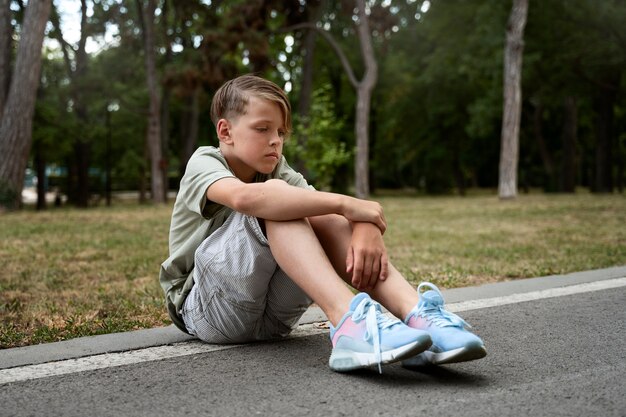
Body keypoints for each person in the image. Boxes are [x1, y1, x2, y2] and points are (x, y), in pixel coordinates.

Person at [160, 74, 486, 373]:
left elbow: (326, 216)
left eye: (281, 132)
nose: (276, 141)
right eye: (263, 129)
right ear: (225, 131)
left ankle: (420, 319)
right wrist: (352, 205)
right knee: (276, 197)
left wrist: (365, 224)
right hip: (208, 311)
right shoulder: (205, 160)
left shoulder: (277, 168)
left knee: (297, 202)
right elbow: (247, 200)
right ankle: (350, 323)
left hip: (272, 319)